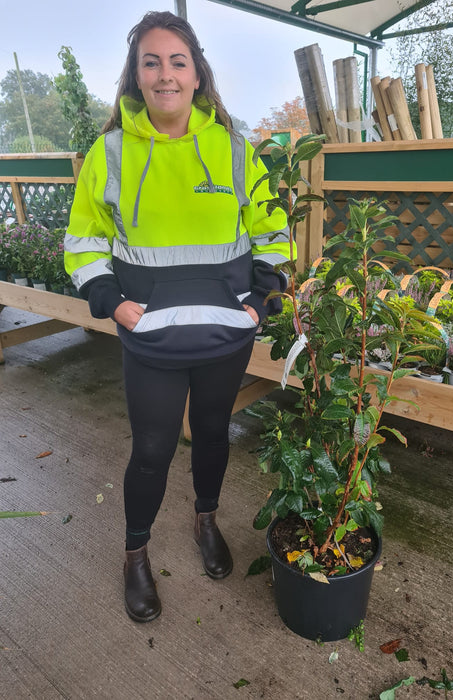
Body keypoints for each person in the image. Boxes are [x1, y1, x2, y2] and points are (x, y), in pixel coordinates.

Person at [64, 10, 293, 623]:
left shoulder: (236, 149)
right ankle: (135, 554)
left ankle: (205, 521)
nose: (165, 74)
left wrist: (261, 300)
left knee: (214, 434)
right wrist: (113, 302)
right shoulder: (108, 153)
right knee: (153, 450)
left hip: (225, 335)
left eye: (177, 61)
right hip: (151, 337)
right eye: (151, 62)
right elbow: (83, 241)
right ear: (136, 78)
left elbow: (271, 230)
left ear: (197, 76)